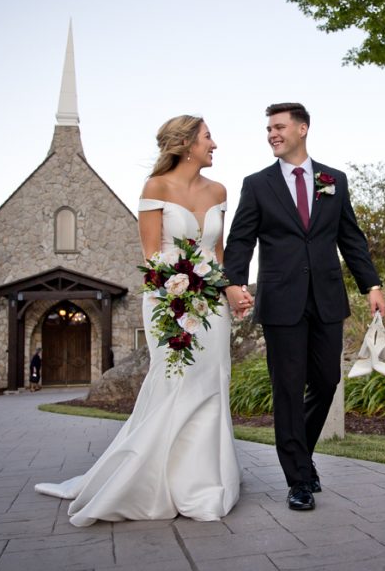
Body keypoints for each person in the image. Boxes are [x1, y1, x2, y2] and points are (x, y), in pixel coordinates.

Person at [36, 115, 241, 526]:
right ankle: (150, 481)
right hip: (169, 301)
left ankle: (202, 482)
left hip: (211, 306)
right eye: (207, 137)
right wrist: (179, 293)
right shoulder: (155, 189)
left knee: (210, 382)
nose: (214, 144)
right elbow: (151, 257)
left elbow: (217, 254)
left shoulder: (219, 190)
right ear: (185, 144)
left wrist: (231, 290)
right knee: (175, 382)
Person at [224, 102, 385, 511]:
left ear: (302, 129)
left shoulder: (334, 180)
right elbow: (241, 239)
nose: (272, 134)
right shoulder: (257, 184)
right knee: (287, 391)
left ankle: (303, 454)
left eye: (279, 127)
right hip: (281, 302)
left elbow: (351, 237)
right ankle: (297, 478)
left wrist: (372, 285)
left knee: (327, 381)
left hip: (327, 299)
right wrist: (234, 284)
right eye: (268, 129)